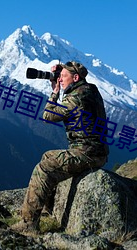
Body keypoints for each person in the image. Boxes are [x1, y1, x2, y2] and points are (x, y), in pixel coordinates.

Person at [11, 61, 109, 233]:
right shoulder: (90, 89)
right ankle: (49, 209)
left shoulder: (76, 97)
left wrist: (54, 92)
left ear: (76, 78)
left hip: (87, 153)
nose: (60, 79)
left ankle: (28, 224)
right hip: (94, 151)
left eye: (64, 77)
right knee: (48, 156)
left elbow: (48, 115)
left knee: (44, 168)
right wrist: (61, 72)